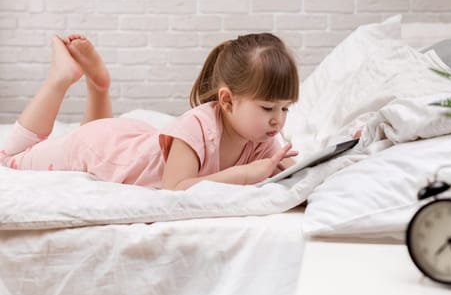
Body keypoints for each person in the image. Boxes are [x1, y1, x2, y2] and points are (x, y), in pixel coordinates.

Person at [0, 33, 299, 190]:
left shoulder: (262, 134)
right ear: (228, 101)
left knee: (95, 132)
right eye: (267, 107)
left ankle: (99, 85)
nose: (278, 119)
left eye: (285, 108)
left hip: (126, 138)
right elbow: (176, 188)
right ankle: (61, 77)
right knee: (7, 161)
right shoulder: (198, 127)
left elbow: (291, 174)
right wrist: (245, 174)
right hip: (97, 146)